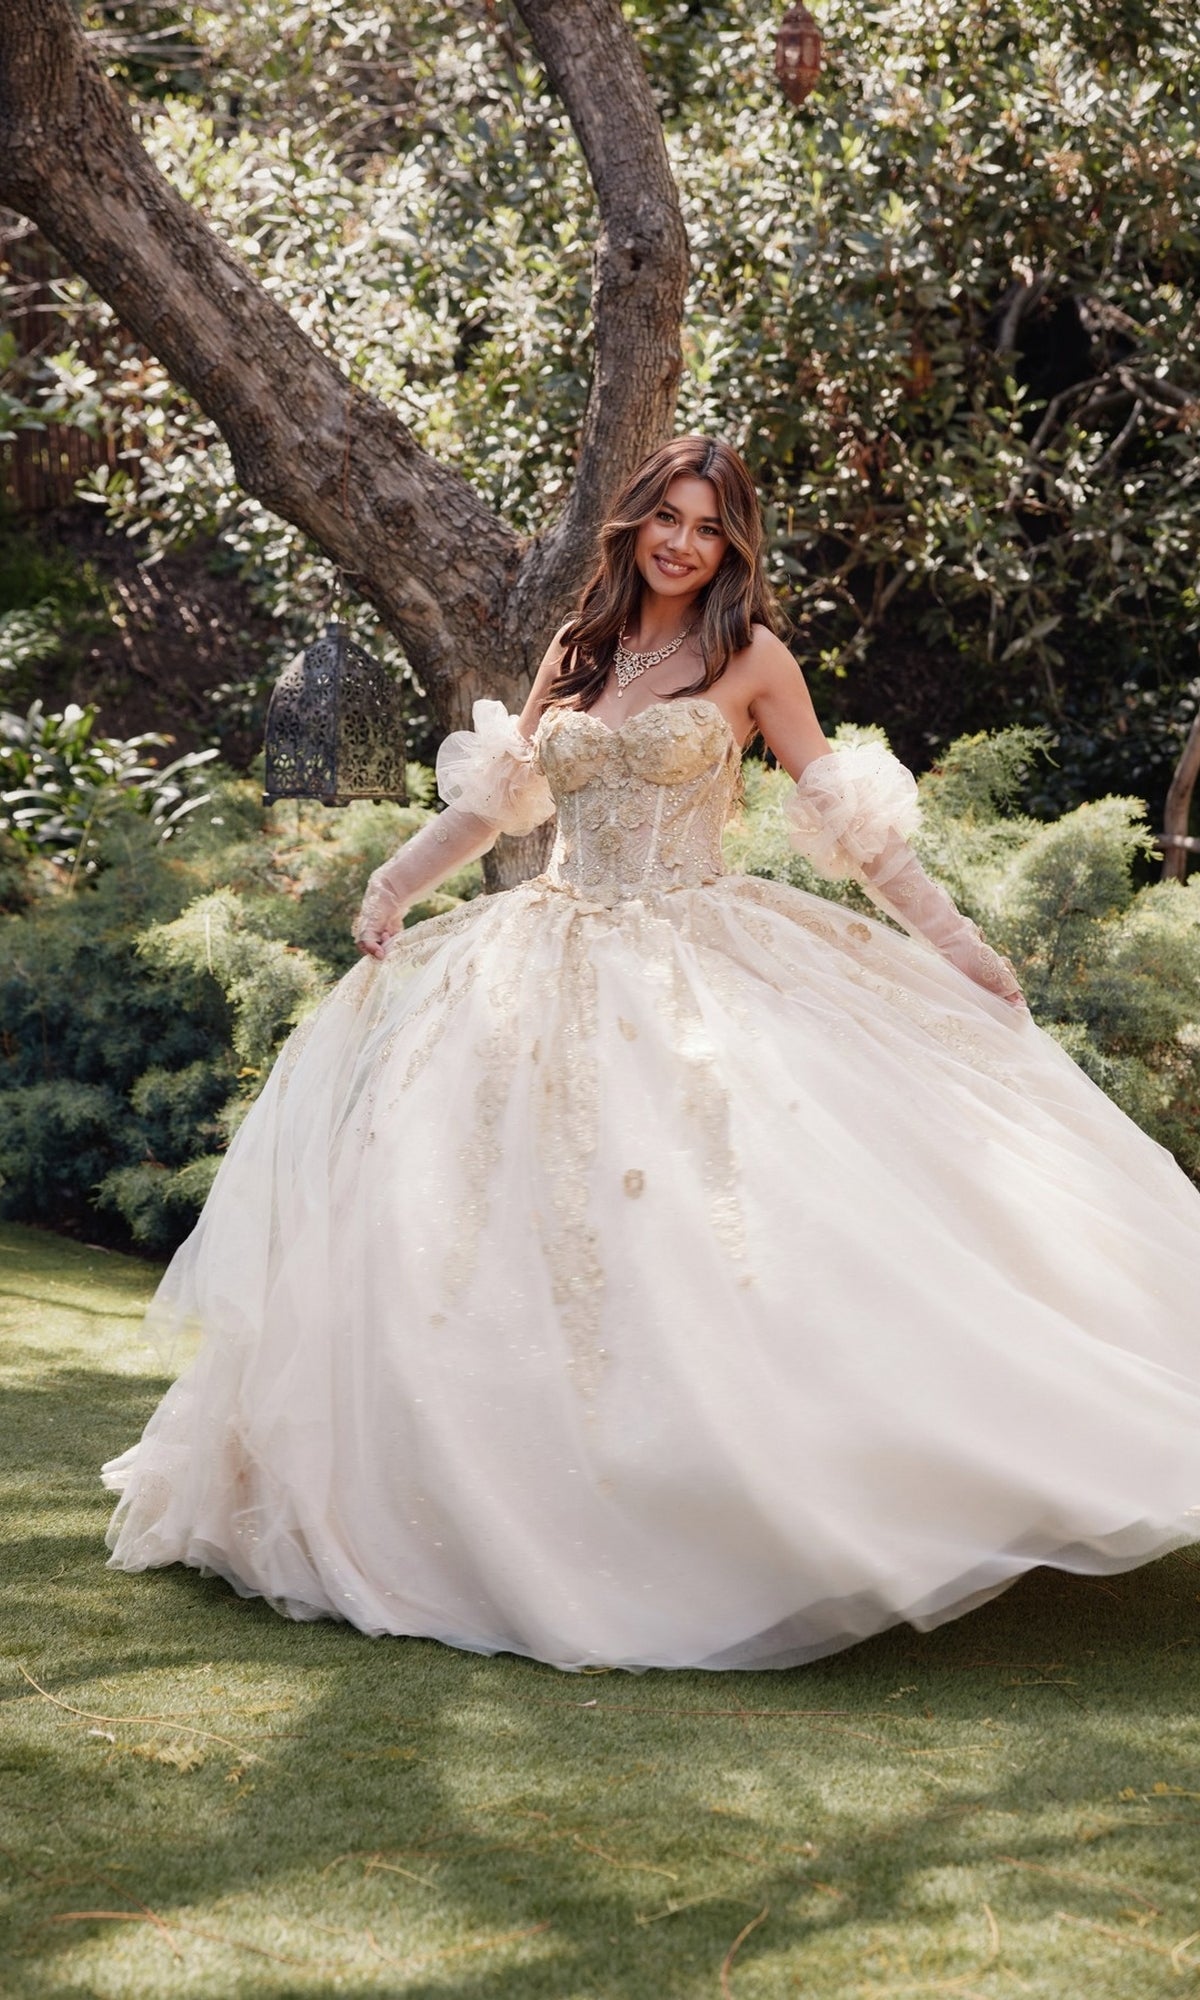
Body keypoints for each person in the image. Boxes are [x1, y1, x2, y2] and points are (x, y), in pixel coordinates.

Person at [103, 436, 1200, 1672]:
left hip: (696, 954)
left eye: (709, 527)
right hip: (542, 959)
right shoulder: (577, 650)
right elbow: (501, 801)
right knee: (487, 1234)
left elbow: (852, 827)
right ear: (633, 525)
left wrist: (957, 941)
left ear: (736, 545)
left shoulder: (751, 659)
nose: (684, 542)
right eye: (667, 519)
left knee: (717, 1228)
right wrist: (394, 879)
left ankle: (757, 1491)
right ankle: (503, 1493)